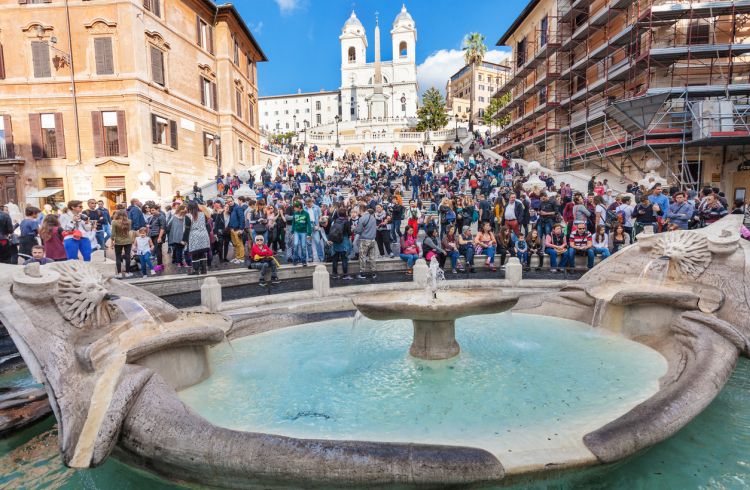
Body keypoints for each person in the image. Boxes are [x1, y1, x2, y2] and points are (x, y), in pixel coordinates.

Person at [182, 201, 212, 275]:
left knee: (195, 254)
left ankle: (196, 270)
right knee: (202, 252)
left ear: (189, 207)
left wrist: (184, 240)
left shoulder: (188, 216)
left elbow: (187, 229)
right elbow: (207, 226)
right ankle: (204, 270)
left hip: (194, 236)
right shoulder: (203, 214)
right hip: (204, 235)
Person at [328, 207, 353, 280]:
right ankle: (345, 275)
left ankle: (334, 274)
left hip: (335, 242)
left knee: (335, 259)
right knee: (344, 258)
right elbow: (349, 233)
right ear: (345, 214)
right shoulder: (347, 222)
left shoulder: (335, 221)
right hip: (344, 241)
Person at [355, 207, 378, 279]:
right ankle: (373, 272)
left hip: (364, 239)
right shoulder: (373, 218)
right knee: (372, 257)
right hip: (373, 240)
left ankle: (362, 273)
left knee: (362, 256)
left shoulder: (362, 218)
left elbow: (358, 230)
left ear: (361, 210)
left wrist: (354, 228)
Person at [112, 210, 135, 278]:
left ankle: (119, 273)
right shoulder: (129, 221)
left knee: (118, 257)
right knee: (127, 256)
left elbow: (113, 234)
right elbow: (129, 230)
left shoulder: (114, 222)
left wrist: (112, 241)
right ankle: (127, 272)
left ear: (117, 214)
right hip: (128, 241)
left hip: (118, 241)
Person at [291, 201, 312, 266]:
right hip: (296, 231)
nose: (294, 208)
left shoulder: (306, 214)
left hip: (304, 232)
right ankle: (295, 260)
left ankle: (303, 261)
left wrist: (309, 233)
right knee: (296, 244)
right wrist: (292, 232)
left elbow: (309, 224)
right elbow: (293, 223)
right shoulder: (295, 213)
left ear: (299, 207)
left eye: (295, 207)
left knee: (303, 246)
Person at [167, 205, 187, 269]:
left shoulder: (174, 217)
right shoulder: (185, 217)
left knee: (178, 250)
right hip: (183, 236)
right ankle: (183, 262)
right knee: (183, 250)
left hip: (175, 236)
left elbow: (168, 225)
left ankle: (179, 263)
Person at [226, 196, 246, 264]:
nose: (230, 202)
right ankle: (237, 257)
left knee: (239, 244)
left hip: (237, 229)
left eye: (231, 201)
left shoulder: (238, 208)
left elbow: (242, 218)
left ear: (233, 200)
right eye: (228, 202)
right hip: (232, 229)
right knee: (235, 244)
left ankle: (241, 258)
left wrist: (241, 229)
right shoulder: (231, 208)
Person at [147, 205, 166, 271]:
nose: (151, 212)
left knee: (158, 250)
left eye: (153, 210)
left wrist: (160, 237)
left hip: (158, 235)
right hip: (153, 235)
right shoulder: (153, 216)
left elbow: (163, 228)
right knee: (157, 250)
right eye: (151, 210)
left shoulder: (161, 217)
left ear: (157, 209)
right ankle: (161, 265)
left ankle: (159, 265)